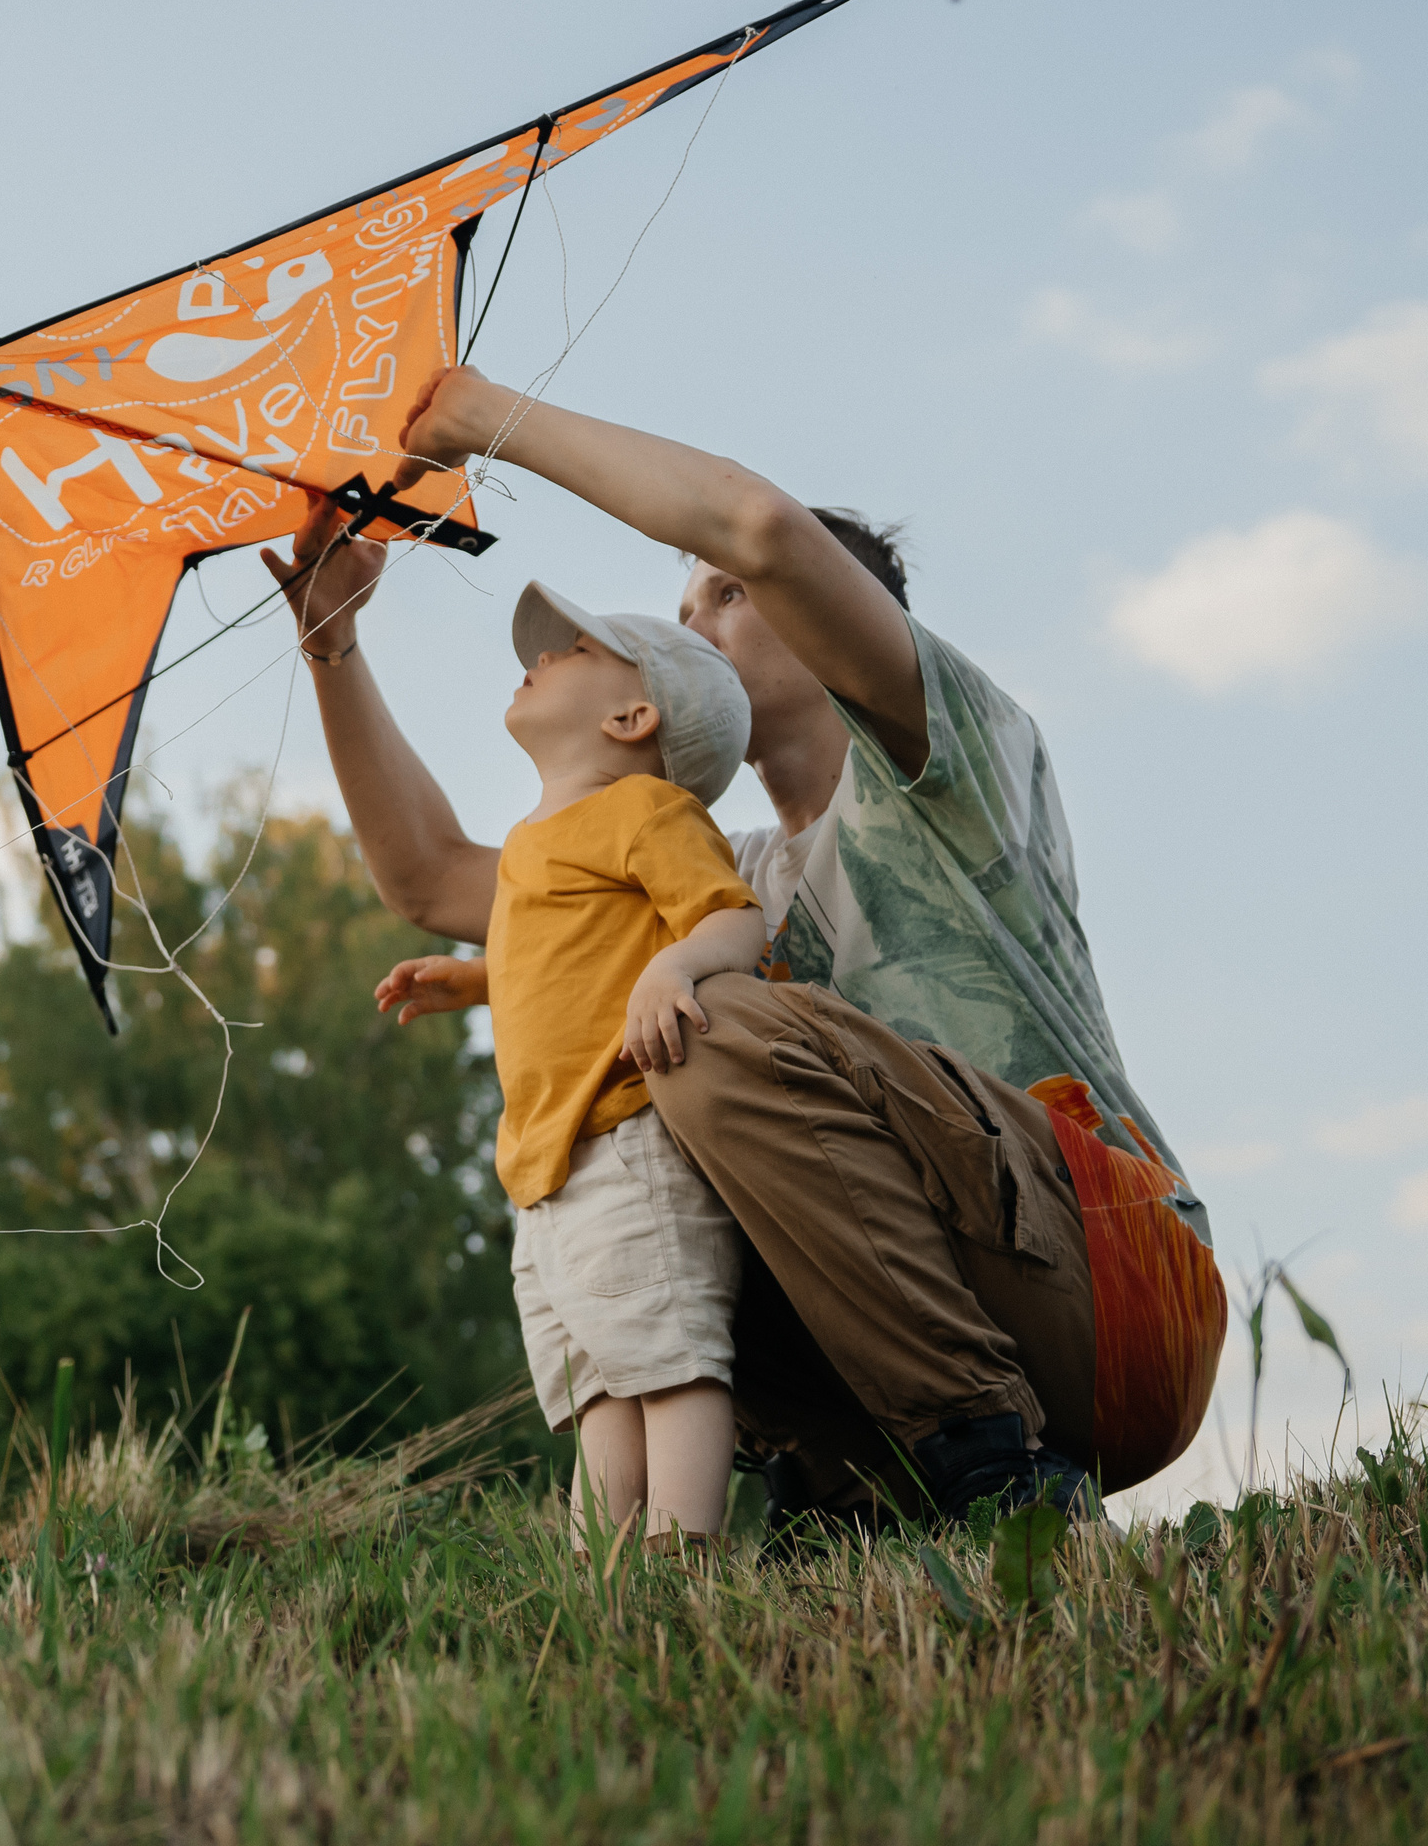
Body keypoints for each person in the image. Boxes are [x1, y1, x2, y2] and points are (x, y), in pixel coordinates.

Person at [267, 366, 1224, 1526]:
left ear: (838, 617)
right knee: (634, 1161)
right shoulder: (711, 876)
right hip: (922, 1335)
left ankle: (987, 1466)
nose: (694, 624)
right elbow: (430, 875)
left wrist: (486, 421)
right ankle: (864, 1491)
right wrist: (331, 645)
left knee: (700, 1030)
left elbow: (761, 527)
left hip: (1115, 1295)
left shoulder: (943, 763)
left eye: (721, 597)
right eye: (680, 618)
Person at [381, 582, 766, 1551]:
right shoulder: (530, 846)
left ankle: (682, 1557)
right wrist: (477, 979)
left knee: (668, 1356)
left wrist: (675, 964)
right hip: (547, 1160)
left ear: (632, 716)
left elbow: (734, 915)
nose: (543, 655)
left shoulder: (644, 806)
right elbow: (567, 960)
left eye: (575, 649)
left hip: (626, 1132)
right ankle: (606, 1573)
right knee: (597, 1374)